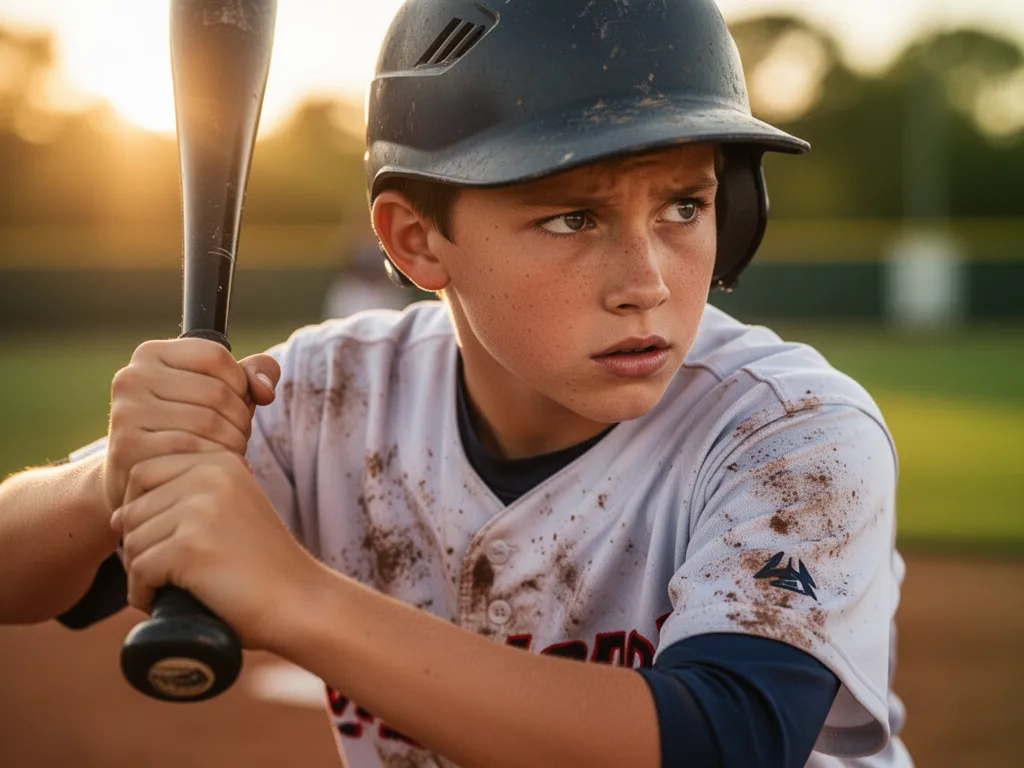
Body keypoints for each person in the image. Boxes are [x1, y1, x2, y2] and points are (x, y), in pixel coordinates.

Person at [0, 1, 912, 766]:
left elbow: (726, 742)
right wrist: (113, 475)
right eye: (571, 217)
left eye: (685, 205)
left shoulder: (789, 433)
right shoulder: (330, 397)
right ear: (415, 240)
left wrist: (296, 596)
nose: (648, 282)